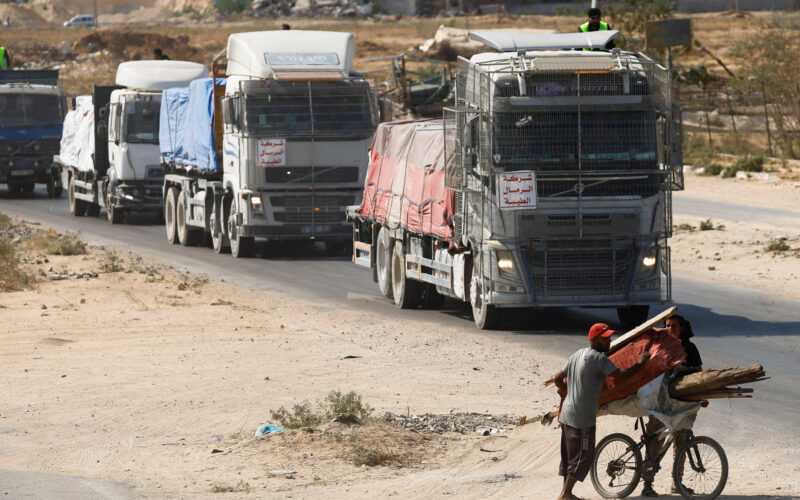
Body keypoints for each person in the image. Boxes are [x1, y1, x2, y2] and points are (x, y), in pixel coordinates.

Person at [553, 323, 651, 500]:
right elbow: (621, 378)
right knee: (583, 456)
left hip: (567, 413)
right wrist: (640, 364)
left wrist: (570, 392)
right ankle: (565, 494)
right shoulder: (599, 359)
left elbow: (558, 379)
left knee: (570, 456)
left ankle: (567, 493)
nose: (610, 341)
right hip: (582, 417)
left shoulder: (577, 354)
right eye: (606, 338)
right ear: (595, 339)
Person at [640, 314, 703, 497]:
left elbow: (699, 374)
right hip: (660, 404)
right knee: (654, 442)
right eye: (667, 326)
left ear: (682, 328)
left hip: (683, 405)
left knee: (682, 442)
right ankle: (647, 484)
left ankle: (677, 482)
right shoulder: (660, 347)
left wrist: (702, 396)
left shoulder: (690, 348)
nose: (670, 329)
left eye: (673, 326)